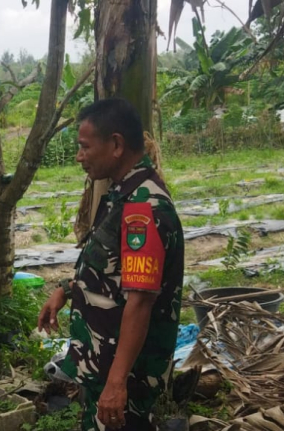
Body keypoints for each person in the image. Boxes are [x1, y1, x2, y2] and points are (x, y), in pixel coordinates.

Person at [38, 99, 184, 431]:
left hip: (127, 378)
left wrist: (117, 384)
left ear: (116, 144)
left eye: (85, 147)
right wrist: (66, 290)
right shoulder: (121, 196)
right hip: (103, 367)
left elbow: (140, 301)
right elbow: (113, 273)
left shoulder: (143, 210)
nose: (79, 156)